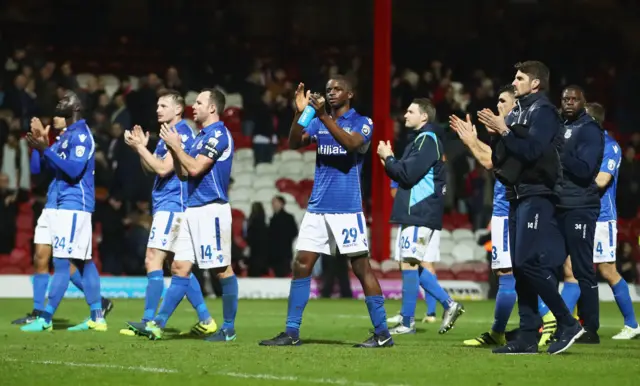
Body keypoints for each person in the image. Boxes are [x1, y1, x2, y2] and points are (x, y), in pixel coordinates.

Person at [259, 77, 392, 348]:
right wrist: (300, 113)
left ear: (350, 93)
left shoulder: (362, 122)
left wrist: (322, 116)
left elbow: (352, 144)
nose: (331, 93)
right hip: (317, 207)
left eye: (337, 89)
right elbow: (294, 141)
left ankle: (382, 333)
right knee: (301, 264)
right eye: (328, 89)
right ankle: (292, 332)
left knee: (360, 267)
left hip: (346, 208)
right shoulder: (319, 121)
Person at [478, 61, 583, 354]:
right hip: (517, 194)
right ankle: (526, 336)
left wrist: (506, 131)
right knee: (520, 269)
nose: (515, 81)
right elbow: (502, 158)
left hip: (538, 193)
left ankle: (567, 321)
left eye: (520, 77)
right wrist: (497, 132)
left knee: (526, 262)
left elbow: (534, 150)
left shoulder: (545, 112)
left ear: (535, 83)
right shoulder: (519, 112)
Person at [128, 89, 238, 342]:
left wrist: (177, 148)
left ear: (212, 108)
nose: (194, 106)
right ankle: (157, 323)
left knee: (221, 270)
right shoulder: (200, 137)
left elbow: (197, 167)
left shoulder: (219, 134)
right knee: (179, 267)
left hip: (212, 207)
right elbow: (183, 174)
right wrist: (175, 150)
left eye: (199, 102)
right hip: (191, 208)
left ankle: (228, 327)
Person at [21, 91, 107, 332]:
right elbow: (41, 170)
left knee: (62, 262)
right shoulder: (66, 136)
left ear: (76, 107)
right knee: (84, 262)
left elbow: (73, 169)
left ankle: (45, 318)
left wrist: (46, 148)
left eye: (65, 101)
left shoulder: (81, 136)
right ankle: (97, 316)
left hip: (75, 204)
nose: (59, 103)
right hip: (60, 204)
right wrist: (39, 146)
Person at [378, 98, 464, 336]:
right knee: (410, 264)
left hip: (420, 209)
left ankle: (409, 322)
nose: (405, 115)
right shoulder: (420, 139)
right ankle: (448, 305)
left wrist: (388, 158)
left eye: (410, 111)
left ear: (424, 116)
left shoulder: (427, 139)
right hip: (416, 210)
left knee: (409, 262)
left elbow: (406, 175)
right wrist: (389, 161)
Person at [450, 85, 518, 347]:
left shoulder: (511, 130)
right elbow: (494, 159)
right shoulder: (514, 132)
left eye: (503, 101)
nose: (498, 105)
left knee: (506, 273)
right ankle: (541, 325)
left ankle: (499, 332)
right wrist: (474, 140)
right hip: (515, 210)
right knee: (523, 273)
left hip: (507, 210)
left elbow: (490, 163)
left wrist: (469, 142)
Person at [566, 102, 639, 340]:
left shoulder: (610, 146)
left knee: (607, 271)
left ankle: (632, 324)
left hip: (601, 217)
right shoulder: (581, 145)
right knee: (572, 269)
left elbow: (601, 180)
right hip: (579, 212)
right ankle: (568, 323)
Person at [551, 86, 604, 343]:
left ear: (583, 102)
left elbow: (584, 170)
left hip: (580, 206)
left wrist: (560, 151)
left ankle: (590, 328)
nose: (569, 103)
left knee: (583, 268)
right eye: (565, 99)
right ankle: (555, 323)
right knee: (549, 263)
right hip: (557, 205)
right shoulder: (558, 126)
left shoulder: (590, 130)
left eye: (574, 99)